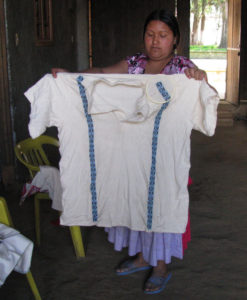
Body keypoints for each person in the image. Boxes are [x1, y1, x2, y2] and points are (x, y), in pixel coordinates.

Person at [52, 9, 207, 295]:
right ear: (143, 37)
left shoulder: (182, 69)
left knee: (160, 209)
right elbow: (100, 75)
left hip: (163, 159)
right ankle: (142, 256)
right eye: (150, 35)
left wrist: (200, 77)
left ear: (175, 40)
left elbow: (202, 95)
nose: (155, 42)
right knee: (135, 203)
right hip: (132, 154)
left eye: (163, 36)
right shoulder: (135, 64)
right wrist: (68, 77)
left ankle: (160, 266)